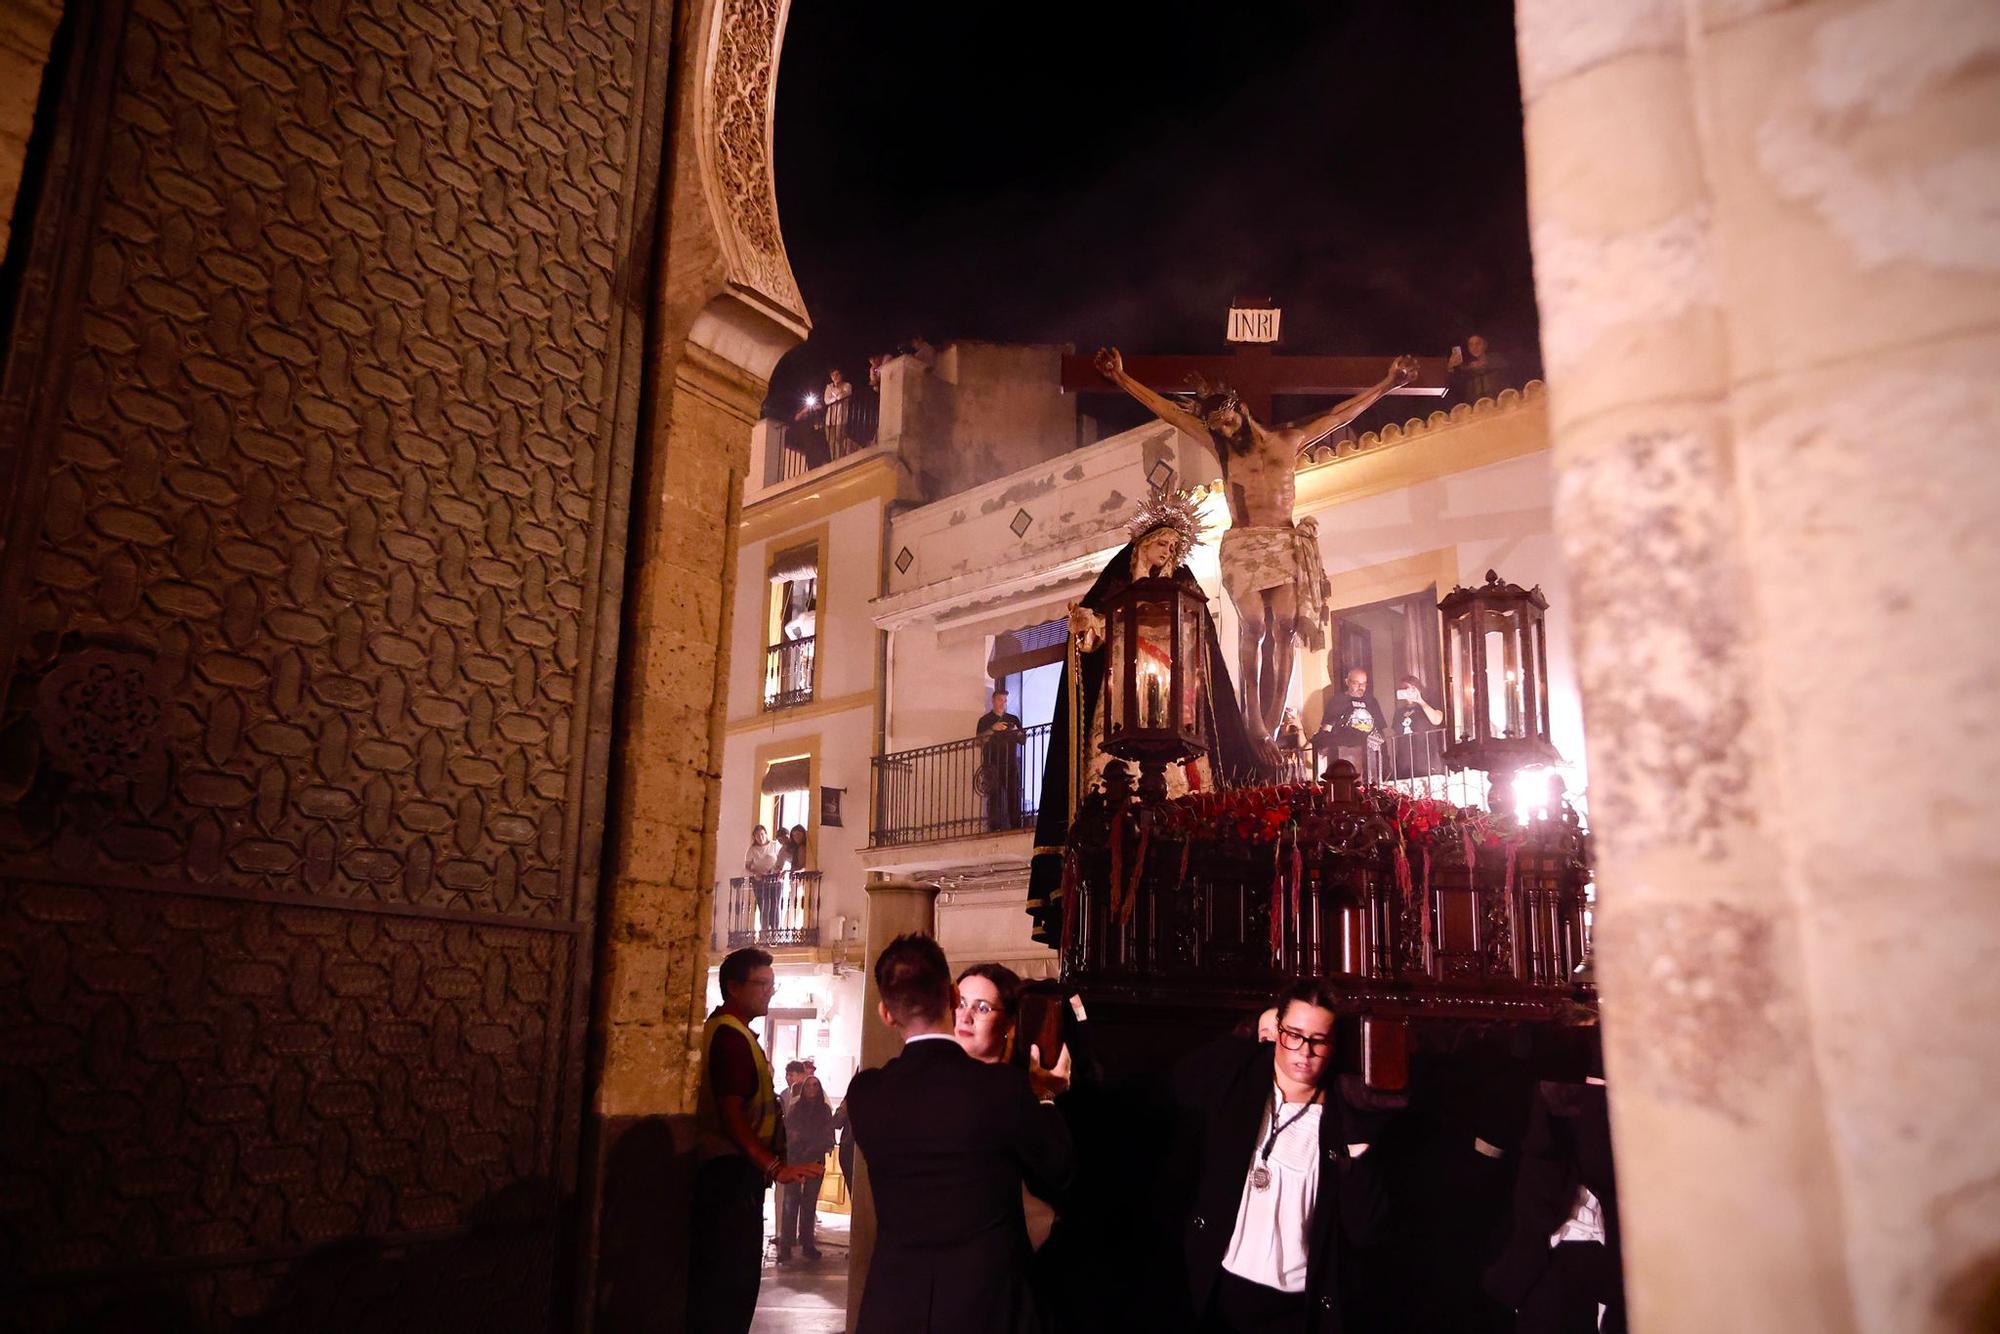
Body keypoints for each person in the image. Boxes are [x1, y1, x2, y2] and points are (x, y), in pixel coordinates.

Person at [1094, 346, 1418, 752]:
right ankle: (1252, 719)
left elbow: (1340, 415)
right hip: (1244, 543)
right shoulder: (1223, 449)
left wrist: (1387, 384)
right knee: (1255, 626)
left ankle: (1271, 717)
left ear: (1241, 411)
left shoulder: (1289, 440)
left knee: (1284, 628)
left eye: (1229, 422)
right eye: (1219, 427)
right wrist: (1123, 379)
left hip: (1283, 541)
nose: (1226, 431)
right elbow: (1170, 413)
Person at [1026, 487, 1264, 948]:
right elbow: (1094, 638)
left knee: (1187, 799)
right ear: (1141, 545)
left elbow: (1202, 649)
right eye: (1160, 544)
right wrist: (1085, 628)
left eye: (1174, 547)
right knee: (1113, 797)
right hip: (1123, 713)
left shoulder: (1186, 590)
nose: (1167, 552)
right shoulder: (1118, 589)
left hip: (1177, 715)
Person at [845, 934, 1074, 1334]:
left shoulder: (865, 1094)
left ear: (886, 1013)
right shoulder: (1002, 1090)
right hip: (985, 1305)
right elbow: (1061, 1172)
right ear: (952, 996)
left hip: (896, 1305)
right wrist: (1048, 1098)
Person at [1170, 977, 1401, 1334]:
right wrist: (1247, 1034)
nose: (1304, 1051)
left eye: (1318, 1041)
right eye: (1294, 1034)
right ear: (1277, 1031)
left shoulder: (1343, 1117)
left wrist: (1359, 1145)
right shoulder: (1242, 1082)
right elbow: (1182, 1083)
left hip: (1295, 1307)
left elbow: (1366, 1230)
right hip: (1222, 1290)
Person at [687, 947, 824, 1333]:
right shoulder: (730, 1038)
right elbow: (732, 1115)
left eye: (772, 984)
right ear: (732, 987)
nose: (769, 992)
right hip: (728, 1174)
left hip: (733, 1173)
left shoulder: (734, 1033)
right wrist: (774, 1166)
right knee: (728, 1285)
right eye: (761, 984)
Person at [779, 1075, 837, 1263]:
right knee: (790, 1203)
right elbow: (790, 1132)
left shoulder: (824, 1110)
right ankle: (786, 1246)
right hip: (796, 1160)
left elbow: (827, 1134)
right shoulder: (796, 1109)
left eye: (815, 1085)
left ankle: (807, 1244)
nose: (812, 1089)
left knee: (809, 1204)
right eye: (809, 1086)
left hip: (815, 1160)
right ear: (803, 1089)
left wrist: (817, 1145)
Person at [1313, 667, 1389, 781]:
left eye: (1363, 684)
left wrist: (1385, 756)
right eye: (1356, 683)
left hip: (1371, 755)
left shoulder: (1372, 701)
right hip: (1346, 756)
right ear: (1347, 682)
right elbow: (1327, 728)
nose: (1360, 687)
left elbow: (1380, 730)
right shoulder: (1338, 701)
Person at [976, 688, 1028, 831]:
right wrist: (993, 728)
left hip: (1010, 763)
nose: (1002, 703)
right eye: (1000, 700)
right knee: (994, 797)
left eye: (1005, 701)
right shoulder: (985, 720)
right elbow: (979, 742)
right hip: (991, 764)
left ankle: (1016, 826)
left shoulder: (1013, 719)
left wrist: (1016, 732)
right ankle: (994, 828)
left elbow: (1023, 740)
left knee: (1014, 795)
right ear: (993, 700)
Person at [1390, 674, 1446, 780]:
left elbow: (1437, 720)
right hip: (1404, 763)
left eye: (1407, 688)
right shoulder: (1399, 712)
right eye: (1401, 689)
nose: (1404, 691)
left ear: (1417, 689)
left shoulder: (1429, 706)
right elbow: (1396, 736)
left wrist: (1420, 701)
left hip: (1426, 762)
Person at [1447, 334, 1506, 407]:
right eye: (1471, 345)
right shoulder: (1466, 368)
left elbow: (1506, 369)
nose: (1474, 347)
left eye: (1478, 344)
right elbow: (1456, 387)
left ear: (1485, 345)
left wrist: (1485, 364)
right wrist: (1451, 367)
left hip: (1499, 403)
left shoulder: (1496, 359)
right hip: (1476, 408)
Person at [745, 825, 783, 934]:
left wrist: (778, 870)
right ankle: (764, 932)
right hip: (759, 882)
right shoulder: (752, 850)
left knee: (775, 906)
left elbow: (782, 860)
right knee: (764, 906)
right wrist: (755, 873)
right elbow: (747, 866)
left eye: (762, 834)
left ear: (766, 834)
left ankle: (775, 932)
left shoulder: (774, 845)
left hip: (775, 880)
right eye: (757, 835)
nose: (760, 837)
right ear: (754, 837)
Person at [823, 367, 854, 453]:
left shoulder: (847, 385)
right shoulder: (829, 387)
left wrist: (835, 395)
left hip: (841, 418)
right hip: (829, 419)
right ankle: (834, 460)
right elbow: (826, 400)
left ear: (841, 375)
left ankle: (840, 459)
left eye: (837, 374)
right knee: (831, 442)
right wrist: (835, 398)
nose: (835, 377)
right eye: (833, 375)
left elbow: (842, 396)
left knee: (839, 440)